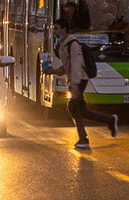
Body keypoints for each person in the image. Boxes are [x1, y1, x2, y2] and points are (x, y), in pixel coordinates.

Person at [46, 18, 118, 149]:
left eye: (57, 28)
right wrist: (54, 71)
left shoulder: (73, 44)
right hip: (75, 79)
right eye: (54, 29)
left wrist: (75, 86)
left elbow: (76, 66)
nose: (55, 31)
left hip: (80, 79)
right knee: (82, 111)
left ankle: (83, 139)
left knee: (72, 107)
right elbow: (67, 66)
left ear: (64, 29)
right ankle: (109, 119)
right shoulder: (62, 44)